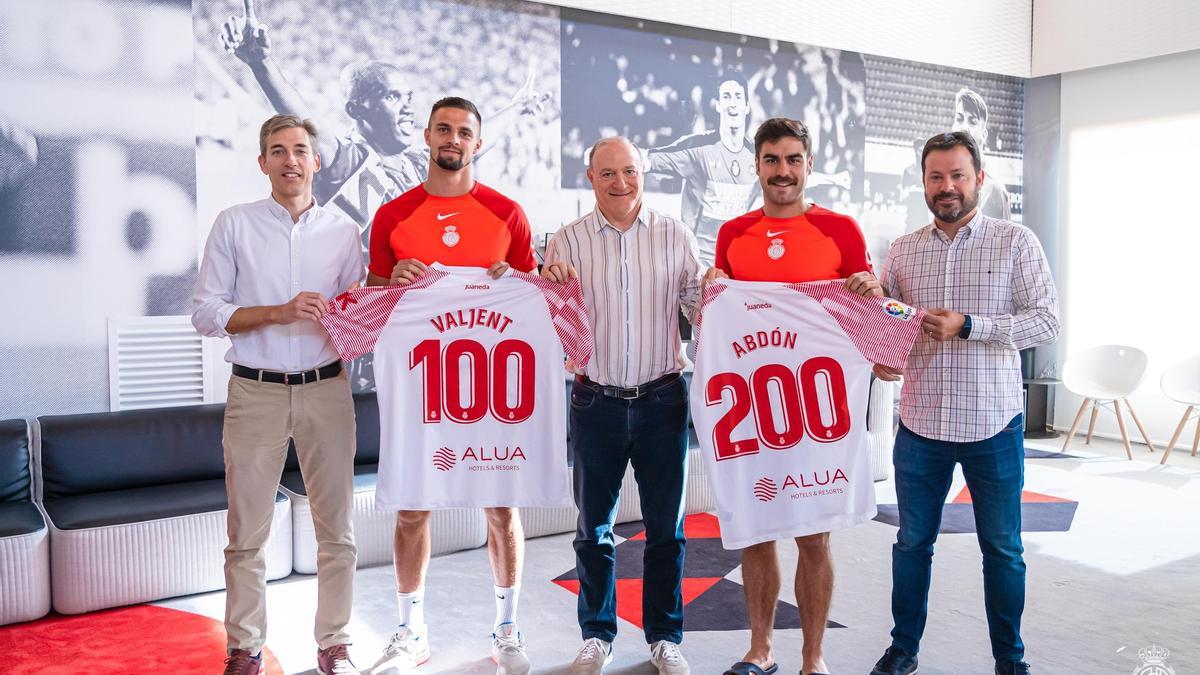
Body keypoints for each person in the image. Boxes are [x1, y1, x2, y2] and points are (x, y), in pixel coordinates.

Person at [868, 131, 1059, 675]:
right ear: (923, 182)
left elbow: (1046, 320)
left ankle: (1010, 659)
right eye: (935, 177)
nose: (946, 186)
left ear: (979, 178)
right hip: (921, 424)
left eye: (957, 175)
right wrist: (883, 356)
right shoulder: (903, 250)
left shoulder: (1015, 242)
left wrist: (971, 326)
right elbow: (889, 325)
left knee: (1002, 550)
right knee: (911, 545)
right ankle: (903, 648)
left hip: (992, 425)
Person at [365, 96, 538, 675]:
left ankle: (507, 628)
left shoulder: (507, 214)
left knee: (501, 505)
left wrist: (515, 279)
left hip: (490, 381)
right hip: (422, 385)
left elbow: (530, 294)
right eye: (444, 128)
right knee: (413, 509)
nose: (453, 139)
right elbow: (371, 302)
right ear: (427, 135)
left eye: (465, 131)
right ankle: (411, 630)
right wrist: (395, 282)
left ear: (478, 143)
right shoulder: (393, 216)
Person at [703, 117, 881, 675]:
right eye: (773, 160)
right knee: (755, 534)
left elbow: (869, 314)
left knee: (813, 535)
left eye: (794, 159)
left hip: (816, 408)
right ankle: (760, 650)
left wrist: (869, 291)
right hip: (754, 406)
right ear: (756, 165)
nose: (784, 171)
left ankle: (813, 658)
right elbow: (722, 318)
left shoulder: (840, 230)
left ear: (808, 164)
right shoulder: (734, 234)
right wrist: (711, 289)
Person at [192, 114, 363, 675]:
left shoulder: (343, 232)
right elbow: (206, 312)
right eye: (277, 150)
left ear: (316, 162)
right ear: (262, 162)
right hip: (254, 393)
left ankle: (335, 644)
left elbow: (355, 317)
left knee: (336, 532)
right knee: (246, 536)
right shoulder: (234, 224)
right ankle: (244, 650)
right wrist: (281, 311)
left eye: (300, 150)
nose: (290, 159)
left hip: (327, 393)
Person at [542, 136, 702, 675]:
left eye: (629, 171)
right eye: (607, 173)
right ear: (590, 177)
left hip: (663, 399)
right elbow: (551, 322)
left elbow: (701, 308)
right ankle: (597, 635)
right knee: (594, 529)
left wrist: (720, 289)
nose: (620, 183)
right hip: (596, 401)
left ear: (645, 173)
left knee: (667, 530)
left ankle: (664, 637)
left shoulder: (676, 234)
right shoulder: (565, 242)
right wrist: (546, 287)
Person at [952, 88, 1012, 220]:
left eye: (972, 121)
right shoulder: (944, 183)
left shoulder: (995, 190)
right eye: (959, 119)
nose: (964, 127)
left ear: (984, 135)